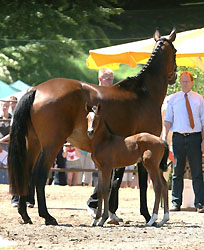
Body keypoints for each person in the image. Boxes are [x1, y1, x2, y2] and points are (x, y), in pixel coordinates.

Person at [86, 67, 125, 224]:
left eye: (112, 78)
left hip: (117, 141)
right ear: (100, 80)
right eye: (108, 78)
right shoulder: (96, 97)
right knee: (107, 177)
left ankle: (111, 210)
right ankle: (94, 203)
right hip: (104, 144)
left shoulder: (116, 97)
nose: (111, 81)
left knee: (117, 177)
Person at [163, 71, 204, 213]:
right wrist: (164, 138)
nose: (185, 84)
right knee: (177, 171)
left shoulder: (199, 99)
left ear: (192, 82)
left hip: (195, 137)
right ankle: (176, 202)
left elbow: (203, 121)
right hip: (178, 137)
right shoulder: (173, 99)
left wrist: (203, 140)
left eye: (187, 81)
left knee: (197, 171)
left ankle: (200, 203)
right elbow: (168, 120)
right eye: (182, 81)